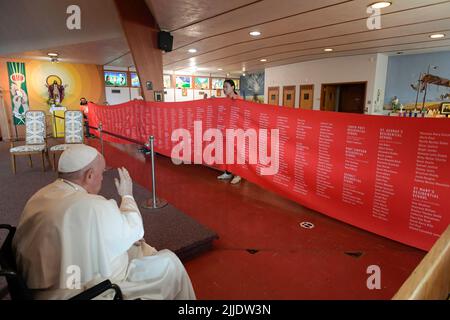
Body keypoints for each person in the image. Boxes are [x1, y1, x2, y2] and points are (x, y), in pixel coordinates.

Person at [12, 144, 196, 300]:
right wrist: (127, 195)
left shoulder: (40, 195)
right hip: (79, 292)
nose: (102, 178)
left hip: (39, 286)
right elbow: (136, 229)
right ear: (89, 175)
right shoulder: (93, 205)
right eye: (101, 173)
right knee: (170, 262)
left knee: (135, 247)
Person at [217, 79, 242, 185]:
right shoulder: (226, 100)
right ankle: (228, 172)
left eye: (226, 87)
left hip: (236, 131)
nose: (224, 89)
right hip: (226, 131)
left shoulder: (239, 99)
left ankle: (238, 174)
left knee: (236, 153)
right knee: (227, 153)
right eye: (223, 87)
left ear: (232, 87)